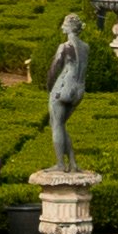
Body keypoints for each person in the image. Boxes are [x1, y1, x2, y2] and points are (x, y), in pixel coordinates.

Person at [45, 12, 91, 169]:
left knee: (56, 124)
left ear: (69, 28)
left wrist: (49, 88)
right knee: (62, 124)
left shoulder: (64, 47)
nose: (62, 26)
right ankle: (72, 162)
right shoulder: (86, 47)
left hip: (63, 88)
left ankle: (60, 165)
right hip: (79, 90)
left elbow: (53, 69)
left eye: (64, 24)